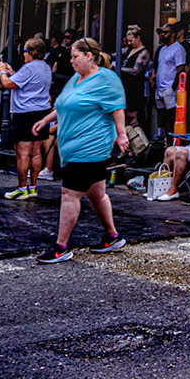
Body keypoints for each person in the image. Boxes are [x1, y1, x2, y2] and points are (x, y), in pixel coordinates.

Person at [33, 40, 130, 261]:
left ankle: (61, 247)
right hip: (72, 146)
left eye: (75, 56)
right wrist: (45, 120)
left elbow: (117, 108)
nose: (71, 61)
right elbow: (64, 104)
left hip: (90, 146)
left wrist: (122, 134)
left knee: (69, 194)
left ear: (88, 56)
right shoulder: (76, 79)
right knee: (96, 193)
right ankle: (112, 236)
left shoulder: (106, 79)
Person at [0, 38, 53, 199]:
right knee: (36, 152)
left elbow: (7, 84)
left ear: (31, 52)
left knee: (23, 153)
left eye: (25, 51)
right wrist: (13, 72)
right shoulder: (46, 67)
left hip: (25, 113)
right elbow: (24, 82)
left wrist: (2, 71)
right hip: (41, 112)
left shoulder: (29, 67)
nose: (24, 54)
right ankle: (33, 187)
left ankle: (22, 188)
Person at [154, 25, 187, 130]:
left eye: (165, 32)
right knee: (161, 113)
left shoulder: (178, 49)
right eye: (161, 33)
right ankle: (160, 135)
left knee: (170, 116)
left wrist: (173, 87)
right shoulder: (162, 49)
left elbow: (181, 69)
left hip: (170, 87)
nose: (162, 35)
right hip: (159, 87)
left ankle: (169, 138)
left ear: (173, 34)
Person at [118, 26, 150, 122]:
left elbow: (136, 71)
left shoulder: (144, 52)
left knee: (134, 115)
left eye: (131, 41)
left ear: (138, 38)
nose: (129, 43)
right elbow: (116, 54)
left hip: (135, 87)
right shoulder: (129, 49)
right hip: (125, 86)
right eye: (128, 41)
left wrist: (119, 68)